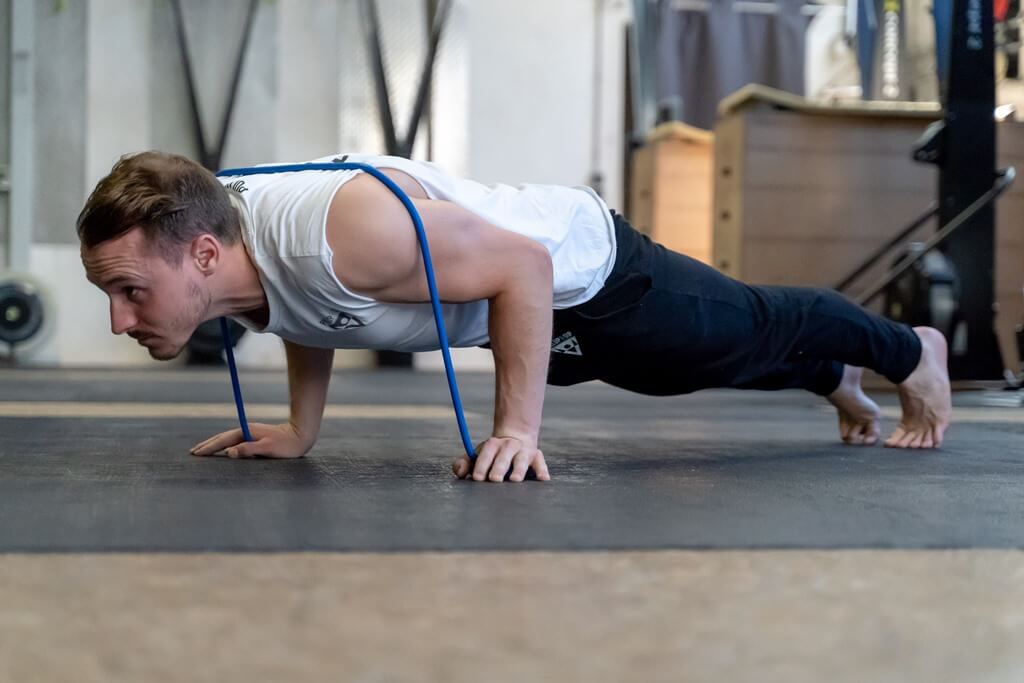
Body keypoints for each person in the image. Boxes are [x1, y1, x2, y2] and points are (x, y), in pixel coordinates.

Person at [77, 151, 952, 483]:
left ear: (197, 256)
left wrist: (518, 429)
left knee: (745, 326)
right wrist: (303, 428)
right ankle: (832, 375)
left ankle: (908, 349)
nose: (120, 321)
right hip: (510, 319)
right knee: (685, 368)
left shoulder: (344, 233)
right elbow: (311, 311)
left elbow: (524, 266)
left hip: (581, 271)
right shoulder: (231, 249)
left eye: (129, 291)